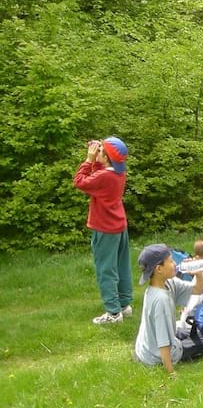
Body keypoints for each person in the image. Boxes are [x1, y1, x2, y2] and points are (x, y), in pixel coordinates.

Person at [73, 136, 133, 325]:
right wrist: (98, 159)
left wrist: (89, 160)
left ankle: (113, 313)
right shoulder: (118, 173)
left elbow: (80, 182)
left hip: (104, 228)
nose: (96, 152)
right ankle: (124, 304)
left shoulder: (103, 176)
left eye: (100, 151)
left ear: (106, 158)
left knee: (106, 269)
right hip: (119, 225)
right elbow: (98, 177)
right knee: (121, 265)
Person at [134, 244, 203, 375]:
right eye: (171, 261)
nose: (175, 264)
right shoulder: (161, 300)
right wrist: (170, 371)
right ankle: (165, 361)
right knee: (202, 343)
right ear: (159, 269)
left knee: (187, 332)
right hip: (156, 356)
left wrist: (198, 273)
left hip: (145, 348)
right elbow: (163, 341)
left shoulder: (168, 282)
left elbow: (198, 289)